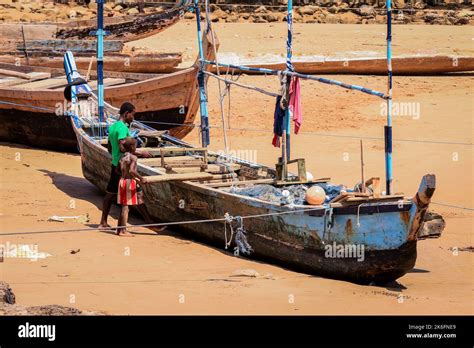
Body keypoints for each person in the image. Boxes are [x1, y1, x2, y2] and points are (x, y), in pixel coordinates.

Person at [99, 102, 152, 229]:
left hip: (115, 164)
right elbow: (123, 147)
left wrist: (116, 158)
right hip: (124, 168)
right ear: (126, 114)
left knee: (110, 194)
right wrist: (140, 152)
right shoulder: (122, 128)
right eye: (132, 115)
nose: (133, 118)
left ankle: (103, 222)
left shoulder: (113, 127)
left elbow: (110, 148)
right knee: (134, 196)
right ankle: (149, 223)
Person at [116, 138, 147, 237]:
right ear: (133, 147)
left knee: (123, 206)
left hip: (122, 181)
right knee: (126, 208)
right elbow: (132, 171)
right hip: (129, 183)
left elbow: (117, 170)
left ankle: (119, 229)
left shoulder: (122, 158)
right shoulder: (133, 158)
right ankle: (123, 231)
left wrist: (123, 175)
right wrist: (141, 178)